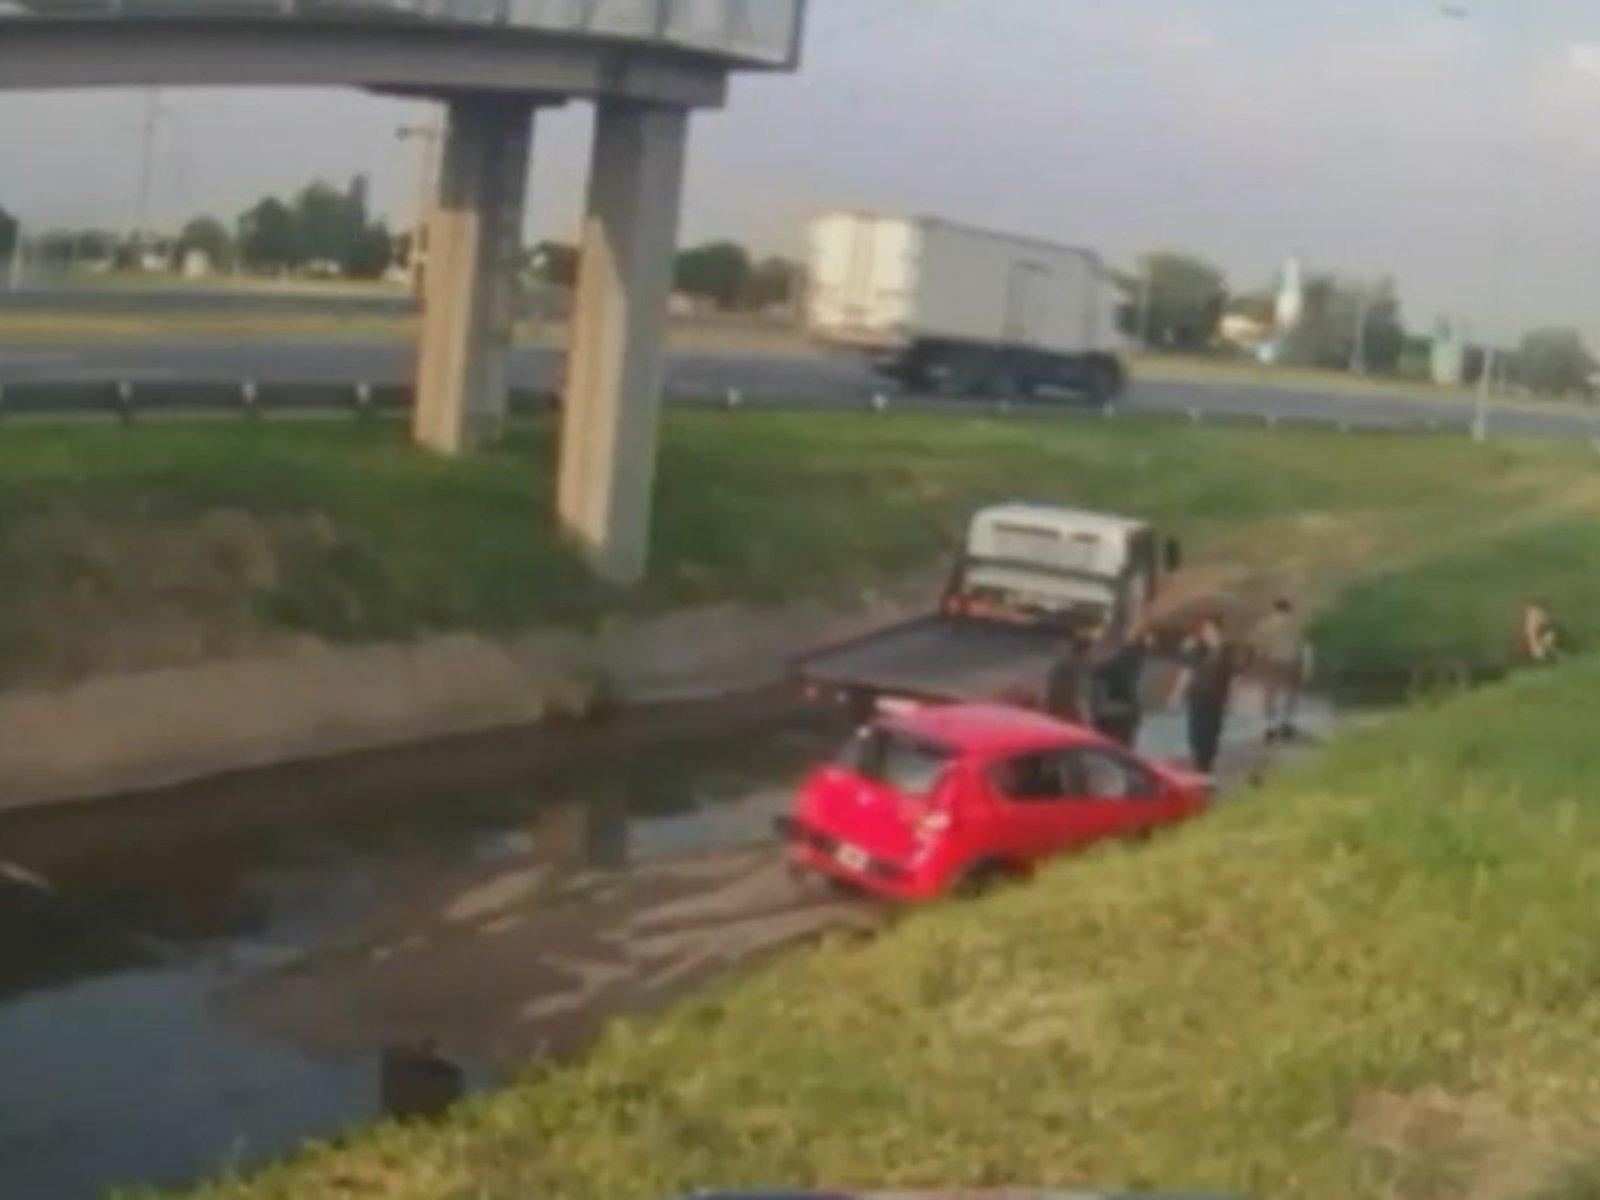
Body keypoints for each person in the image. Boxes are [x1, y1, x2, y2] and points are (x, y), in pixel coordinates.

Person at [1168, 614, 1239, 775]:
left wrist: (1232, 698)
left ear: (1217, 630)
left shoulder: (1226, 650)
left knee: (1212, 730)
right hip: (1198, 693)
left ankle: (1206, 763)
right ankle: (1199, 762)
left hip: (1217, 696)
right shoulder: (1197, 648)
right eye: (1204, 630)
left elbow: (1231, 675)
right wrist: (1177, 693)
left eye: (1209, 629)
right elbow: (1187, 671)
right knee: (1196, 729)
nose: (1206, 633)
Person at [1252, 597, 1314, 744]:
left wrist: (1259, 664)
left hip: (1272, 662)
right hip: (1292, 661)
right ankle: (1287, 723)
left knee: (1270, 694)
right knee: (1291, 693)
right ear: (1288, 609)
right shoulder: (1296, 625)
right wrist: (1307, 667)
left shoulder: (1264, 625)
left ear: (1275, 609)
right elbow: (1305, 647)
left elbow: (1258, 649)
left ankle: (1269, 726)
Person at [1090, 628, 1151, 749]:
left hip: (1115, 713)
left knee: (1110, 746)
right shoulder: (1130, 663)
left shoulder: (1119, 663)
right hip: (1119, 714)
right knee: (1120, 747)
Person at [1043, 630, 1095, 725]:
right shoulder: (1078, 669)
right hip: (1070, 713)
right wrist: (1085, 717)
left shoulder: (1061, 666)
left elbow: (1052, 690)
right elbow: (1078, 695)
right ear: (1085, 651)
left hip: (1056, 711)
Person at [1520, 599, 1564, 667]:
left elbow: (1545, 624)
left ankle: (1554, 656)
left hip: (1543, 633)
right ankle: (1548, 658)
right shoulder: (1533, 616)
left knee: (1548, 642)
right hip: (1538, 636)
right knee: (1540, 649)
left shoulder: (1539, 614)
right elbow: (1532, 629)